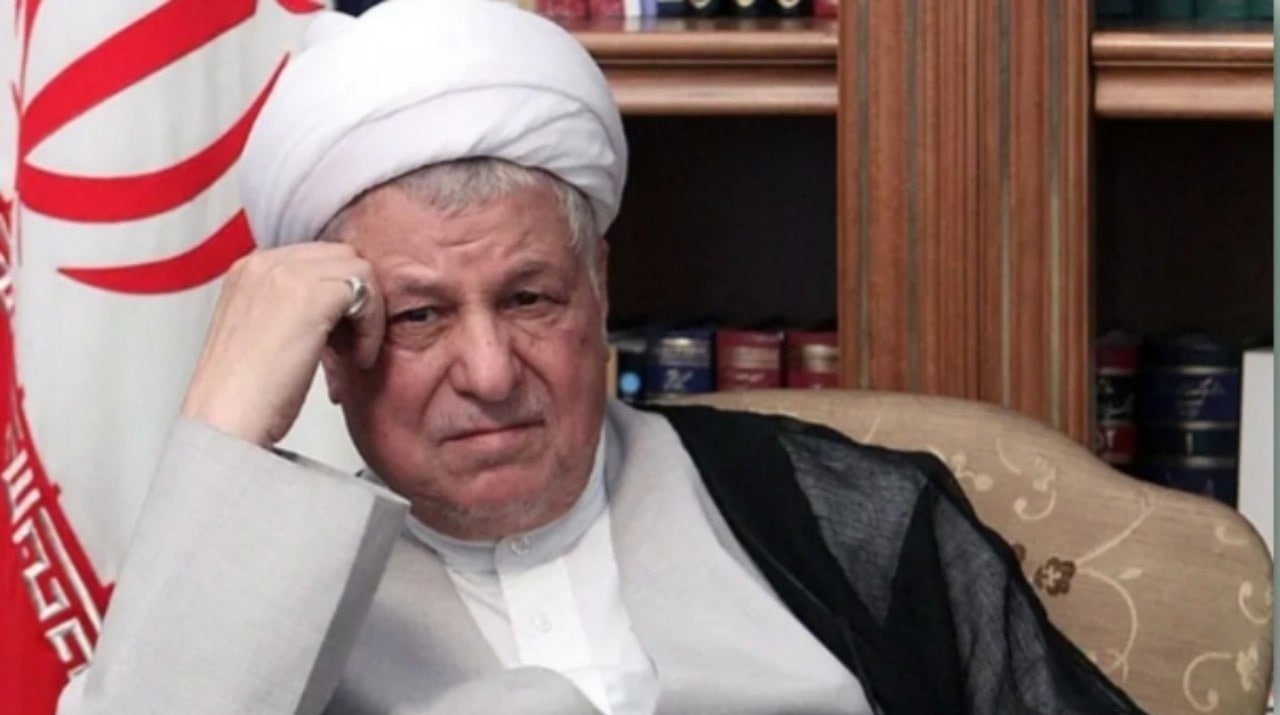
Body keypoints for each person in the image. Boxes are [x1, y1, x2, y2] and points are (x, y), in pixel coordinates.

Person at [57, 1, 1148, 714]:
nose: (491, 373)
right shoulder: (256, 599)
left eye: (530, 298)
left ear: (600, 291)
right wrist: (224, 429)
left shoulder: (847, 518)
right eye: (421, 316)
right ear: (335, 356)